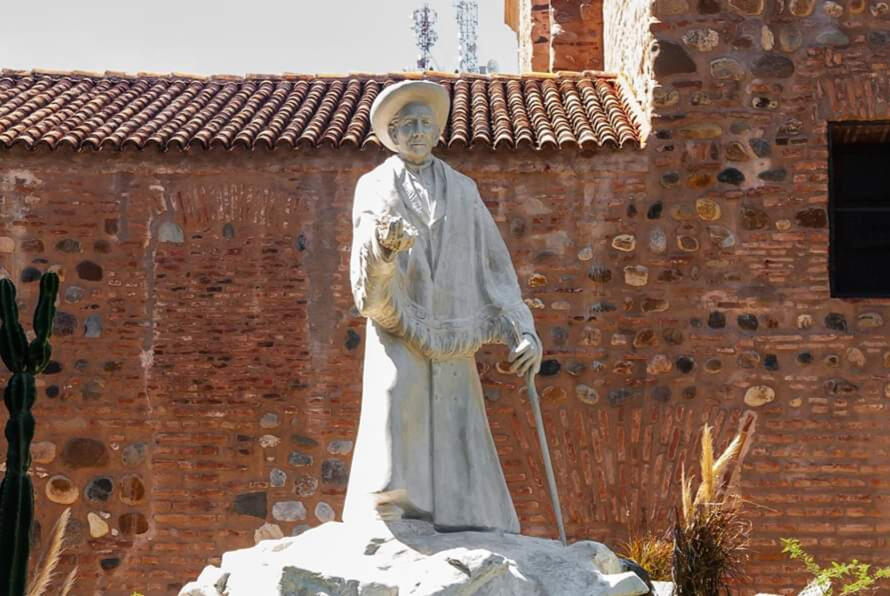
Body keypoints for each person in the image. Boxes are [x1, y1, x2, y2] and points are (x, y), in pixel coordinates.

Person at [342, 80, 542, 533]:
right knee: (395, 399)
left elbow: (494, 263)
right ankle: (390, 512)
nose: (417, 131)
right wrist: (383, 247)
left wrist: (521, 330)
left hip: (452, 332)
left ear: (437, 131)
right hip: (400, 321)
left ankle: (466, 516)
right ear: (391, 133)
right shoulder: (373, 185)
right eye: (407, 124)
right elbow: (363, 251)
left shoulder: (464, 190)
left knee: (458, 419)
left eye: (425, 123)